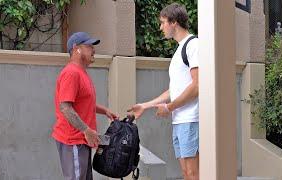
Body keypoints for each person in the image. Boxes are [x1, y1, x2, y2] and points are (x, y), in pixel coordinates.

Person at [128, 3, 199, 180]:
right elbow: (174, 89)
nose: (161, 27)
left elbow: (198, 86)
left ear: (174, 22)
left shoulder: (193, 45)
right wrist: (145, 105)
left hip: (191, 119)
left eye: (163, 22)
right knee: (186, 174)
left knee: (194, 174)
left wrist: (169, 108)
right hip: (180, 121)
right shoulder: (179, 50)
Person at [52, 32, 118, 180]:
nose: (93, 50)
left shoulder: (81, 72)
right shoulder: (72, 73)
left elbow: (82, 103)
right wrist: (86, 130)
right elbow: (65, 108)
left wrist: (104, 110)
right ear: (77, 49)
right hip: (73, 140)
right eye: (89, 46)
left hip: (82, 140)